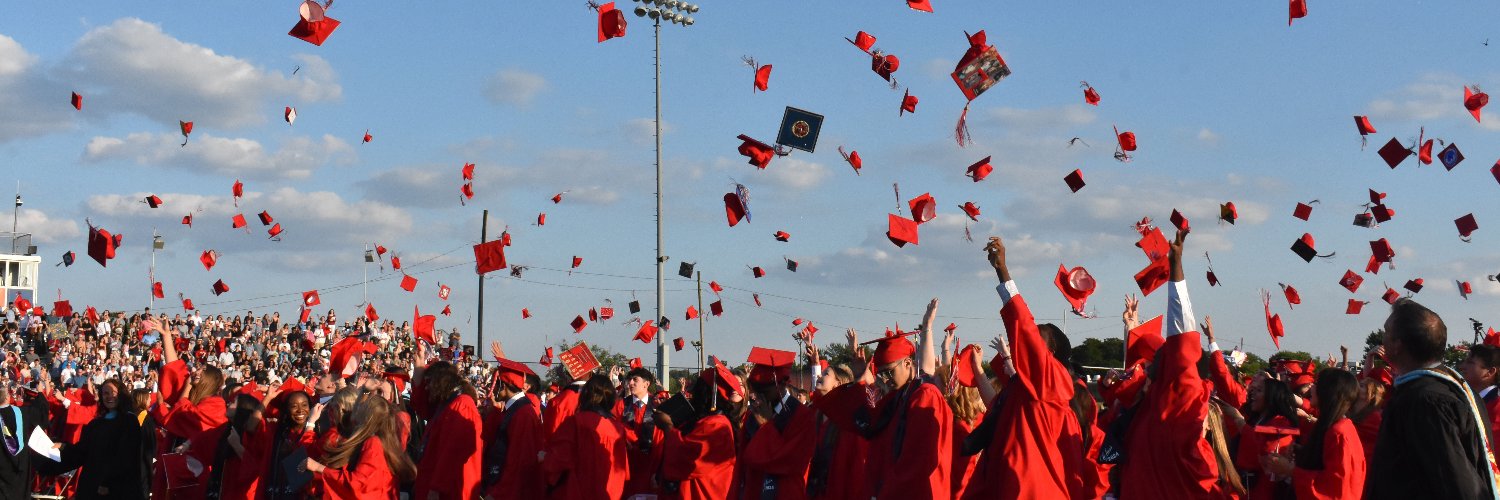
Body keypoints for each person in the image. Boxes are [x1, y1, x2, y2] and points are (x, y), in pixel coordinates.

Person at [961, 236, 1082, 499]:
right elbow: (994, 406)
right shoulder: (1024, 388)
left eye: (1037, 340)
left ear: (1048, 355)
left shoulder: (1051, 381)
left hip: (1029, 491)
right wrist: (977, 369)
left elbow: (1023, 325)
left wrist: (1003, 272)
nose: (1026, 342)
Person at [1116, 229, 1233, 498]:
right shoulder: (1153, 404)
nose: (1152, 361)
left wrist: (1176, 267)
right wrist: (1131, 328)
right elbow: (1134, 373)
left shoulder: (1179, 410)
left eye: (1160, 355)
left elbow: (1181, 332)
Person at [813, 300, 953, 498]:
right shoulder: (898, 396)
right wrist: (861, 378)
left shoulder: (924, 395)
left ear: (907, 363)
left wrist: (885, 493)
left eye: (889, 372)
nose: (885, 379)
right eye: (881, 374)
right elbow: (867, 420)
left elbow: (918, 461)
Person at [1366, 298, 1500, 499]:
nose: (1382, 338)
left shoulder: (1426, 402)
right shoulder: (1452, 388)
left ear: (1397, 345)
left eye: (1386, 332)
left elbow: (1457, 483)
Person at [1264, 368, 1366, 500]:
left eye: (1317, 384)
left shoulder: (1339, 432)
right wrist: (1301, 452)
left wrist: (1289, 470)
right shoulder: (1335, 426)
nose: (1312, 387)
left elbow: (1336, 489)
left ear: (1327, 392)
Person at [739, 346, 816, 500]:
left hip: (786, 492)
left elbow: (786, 461)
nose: (757, 396)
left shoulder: (802, 416)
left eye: (763, 390)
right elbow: (745, 457)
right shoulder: (753, 413)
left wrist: (766, 426)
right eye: (755, 390)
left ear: (781, 385)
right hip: (754, 489)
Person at [656, 364, 741, 500]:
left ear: (706, 393)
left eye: (698, 389)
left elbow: (688, 459)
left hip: (703, 493)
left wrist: (668, 427)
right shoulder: (708, 420)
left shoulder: (716, 424)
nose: (694, 394)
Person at [411, 342, 483, 499]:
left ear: (440, 381)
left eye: (429, 382)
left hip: (447, 491)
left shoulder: (462, 404)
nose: (427, 387)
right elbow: (420, 406)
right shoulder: (446, 403)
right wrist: (418, 368)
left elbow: (453, 453)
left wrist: (437, 488)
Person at [305, 396, 415, 499]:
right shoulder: (387, 440)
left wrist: (319, 468)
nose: (356, 409)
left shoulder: (374, 443)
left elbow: (358, 485)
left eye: (361, 407)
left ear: (367, 417)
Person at [542, 374, 630, 499]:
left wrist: (544, 458)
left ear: (585, 395)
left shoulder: (575, 422)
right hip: (608, 493)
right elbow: (622, 472)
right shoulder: (618, 429)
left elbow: (556, 462)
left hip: (577, 492)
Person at [57, 378, 147, 499]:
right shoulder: (96, 423)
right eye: (105, 393)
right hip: (93, 484)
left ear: (121, 394)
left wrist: (108, 482)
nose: (109, 397)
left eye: (113, 392)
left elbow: (125, 456)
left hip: (116, 488)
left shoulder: (129, 421)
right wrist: (63, 447)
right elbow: (83, 451)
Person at [805, 341, 865, 500]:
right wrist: (814, 364)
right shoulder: (816, 414)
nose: (820, 376)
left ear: (838, 383)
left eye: (826, 374)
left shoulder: (846, 422)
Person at [480, 357, 544, 499]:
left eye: (495, 385)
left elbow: (519, 461)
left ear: (503, 386)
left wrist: (498, 493)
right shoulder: (514, 409)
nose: (492, 389)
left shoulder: (523, 414)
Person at [613, 366, 664, 498]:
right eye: (630, 379)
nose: (630, 383)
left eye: (635, 380)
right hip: (627, 466)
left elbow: (663, 439)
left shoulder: (658, 406)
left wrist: (659, 471)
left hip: (651, 466)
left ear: (646, 384)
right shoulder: (620, 405)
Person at [0, 383, 52, 499]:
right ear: (8, 397)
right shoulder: (22, 413)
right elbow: (42, 413)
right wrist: (40, 393)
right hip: (20, 463)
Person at [1460, 343, 1500, 457]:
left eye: (1470, 362)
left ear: (1490, 372)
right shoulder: (1468, 400)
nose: (1462, 366)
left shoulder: (1496, 408)